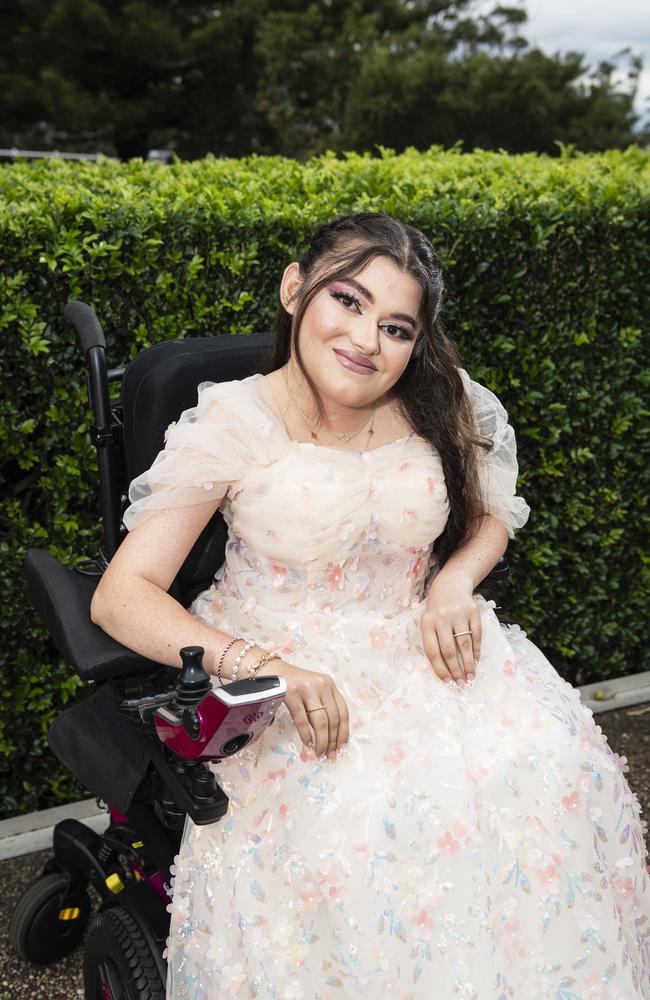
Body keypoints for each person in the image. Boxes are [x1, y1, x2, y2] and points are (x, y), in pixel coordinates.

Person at [91, 212, 650, 999]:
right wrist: (265, 668)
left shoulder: (435, 399)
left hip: (419, 639)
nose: (365, 340)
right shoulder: (235, 421)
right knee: (368, 826)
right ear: (295, 289)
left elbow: (493, 512)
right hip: (284, 661)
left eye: (394, 325)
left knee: (548, 776)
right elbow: (122, 598)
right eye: (347, 302)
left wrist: (453, 581)